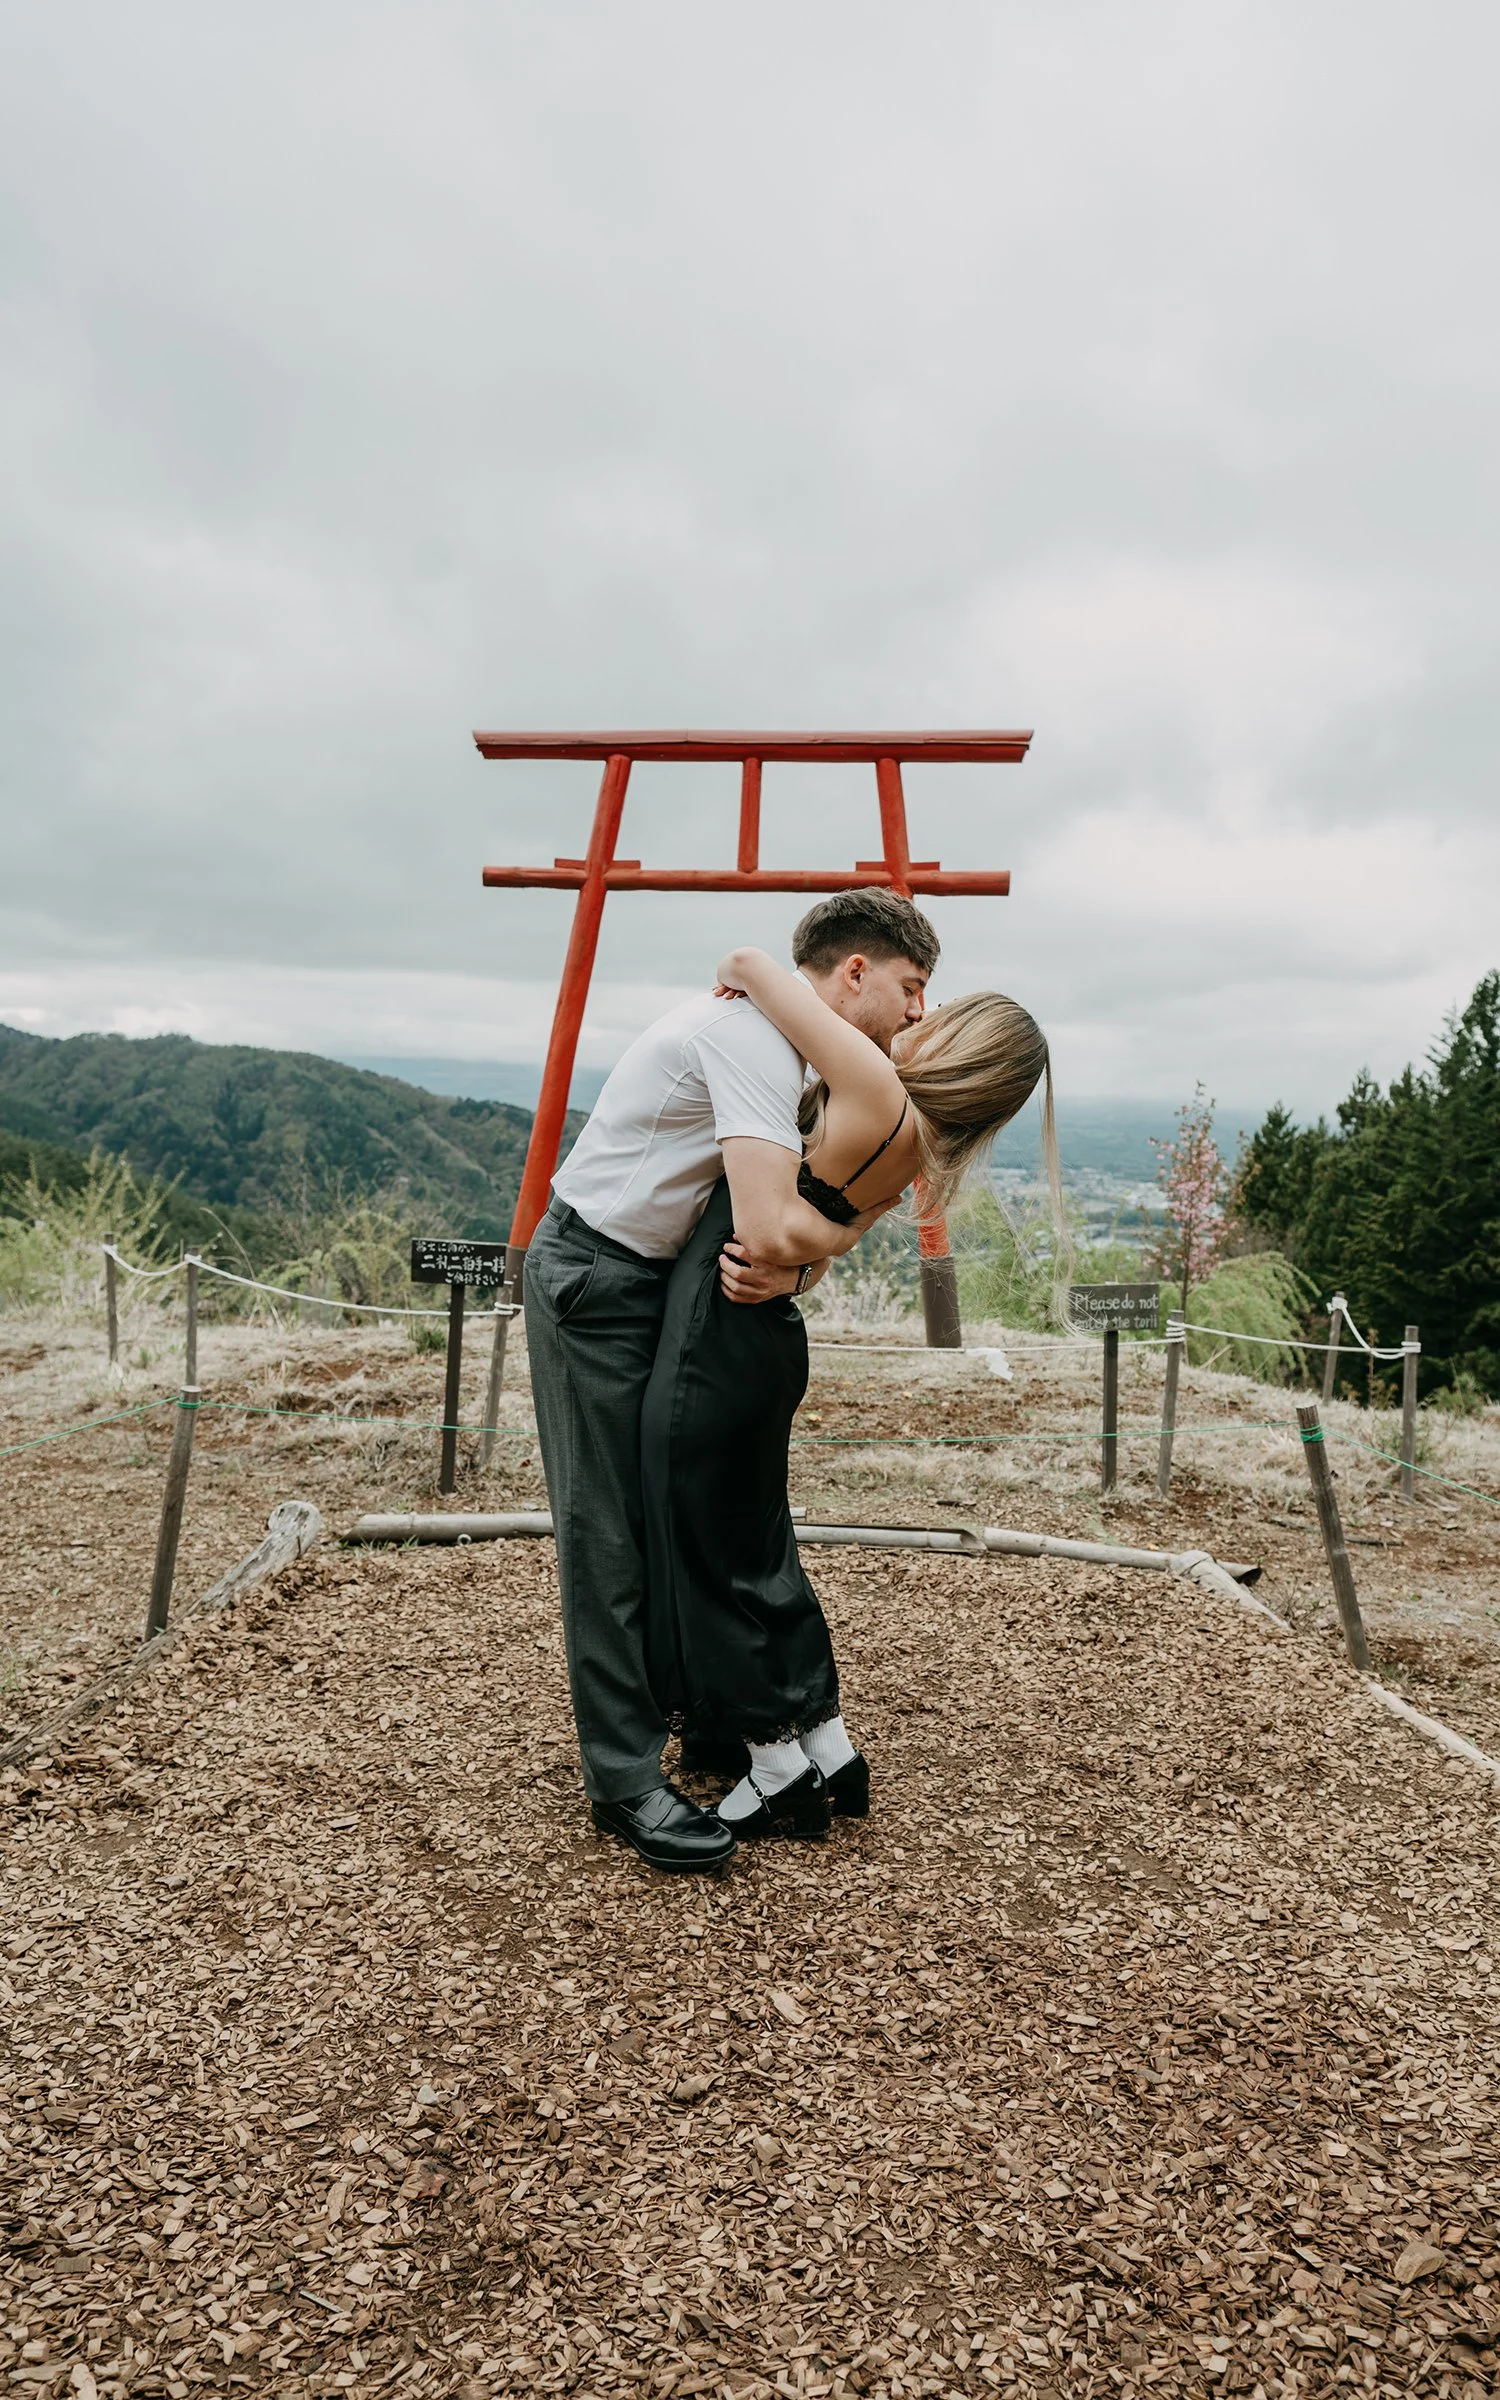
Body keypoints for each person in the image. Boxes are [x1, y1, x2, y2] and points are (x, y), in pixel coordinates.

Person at [523, 889, 941, 1872]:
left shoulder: (791, 1053)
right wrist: (801, 1254)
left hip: (654, 1283)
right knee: (611, 1533)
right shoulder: (752, 1042)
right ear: (855, 971)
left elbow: (788, 1237)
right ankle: (623, 1779)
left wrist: (802, 1262)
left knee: (670, 1518)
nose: (917, 1012)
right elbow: (766, 1228)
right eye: (911, 987)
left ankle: (701, 1719)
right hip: (596, 1278)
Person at [641, 944, 1061, 1842]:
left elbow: (758, 964)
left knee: (704, 1554)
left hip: (714, 1342)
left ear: (962, 1046)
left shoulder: (871, 1083)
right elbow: (828, 1237)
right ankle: (826, 1740)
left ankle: (775, 1764)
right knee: (758, 1543)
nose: (917, 1015)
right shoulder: (922, 1145)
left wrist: (745, 972)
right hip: (768, 1340)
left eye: (934, 1011)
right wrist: (792, 1273)